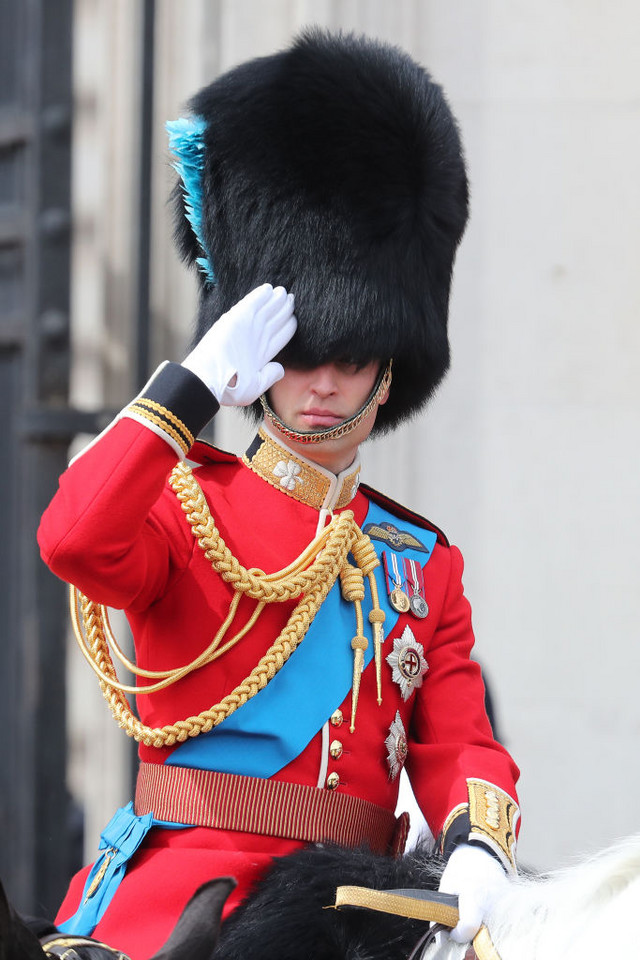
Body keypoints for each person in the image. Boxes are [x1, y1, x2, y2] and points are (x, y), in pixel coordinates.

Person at [38, 29, 520, 960]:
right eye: (298, 356)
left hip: (359, 917)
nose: (322, 383)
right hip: (189, 905)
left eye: (348, 358)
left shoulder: (422, 563)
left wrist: (476, 845)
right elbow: (72, 540)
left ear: (389, 370)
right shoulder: (183, 504)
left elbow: (458, 740)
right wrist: (189, 389)